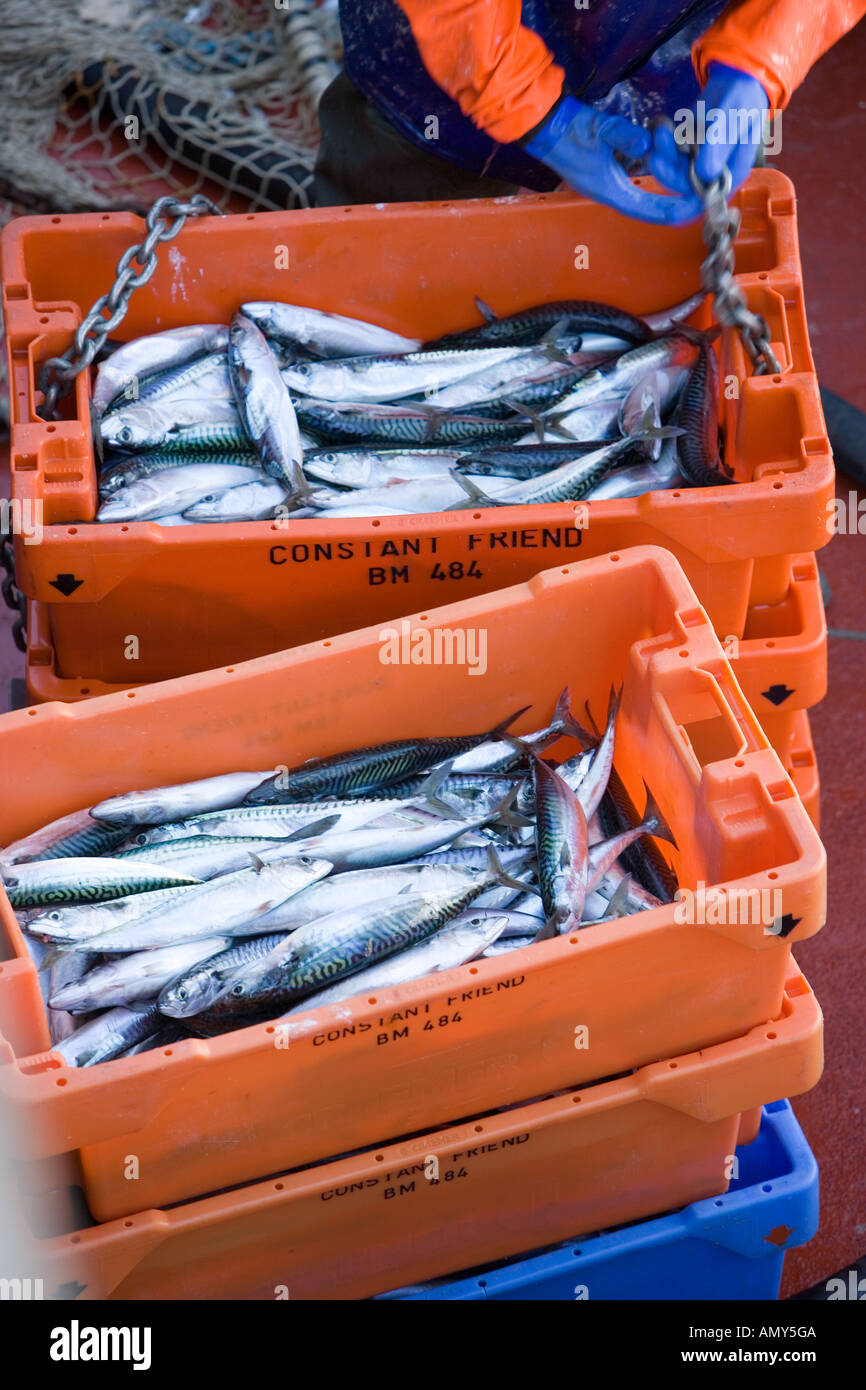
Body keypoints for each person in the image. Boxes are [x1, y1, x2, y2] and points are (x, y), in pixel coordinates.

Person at [314, 0, 866, 218]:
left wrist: (763, 52)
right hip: (435, 72)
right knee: (370, 284)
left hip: (680, 83)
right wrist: (519, 100)